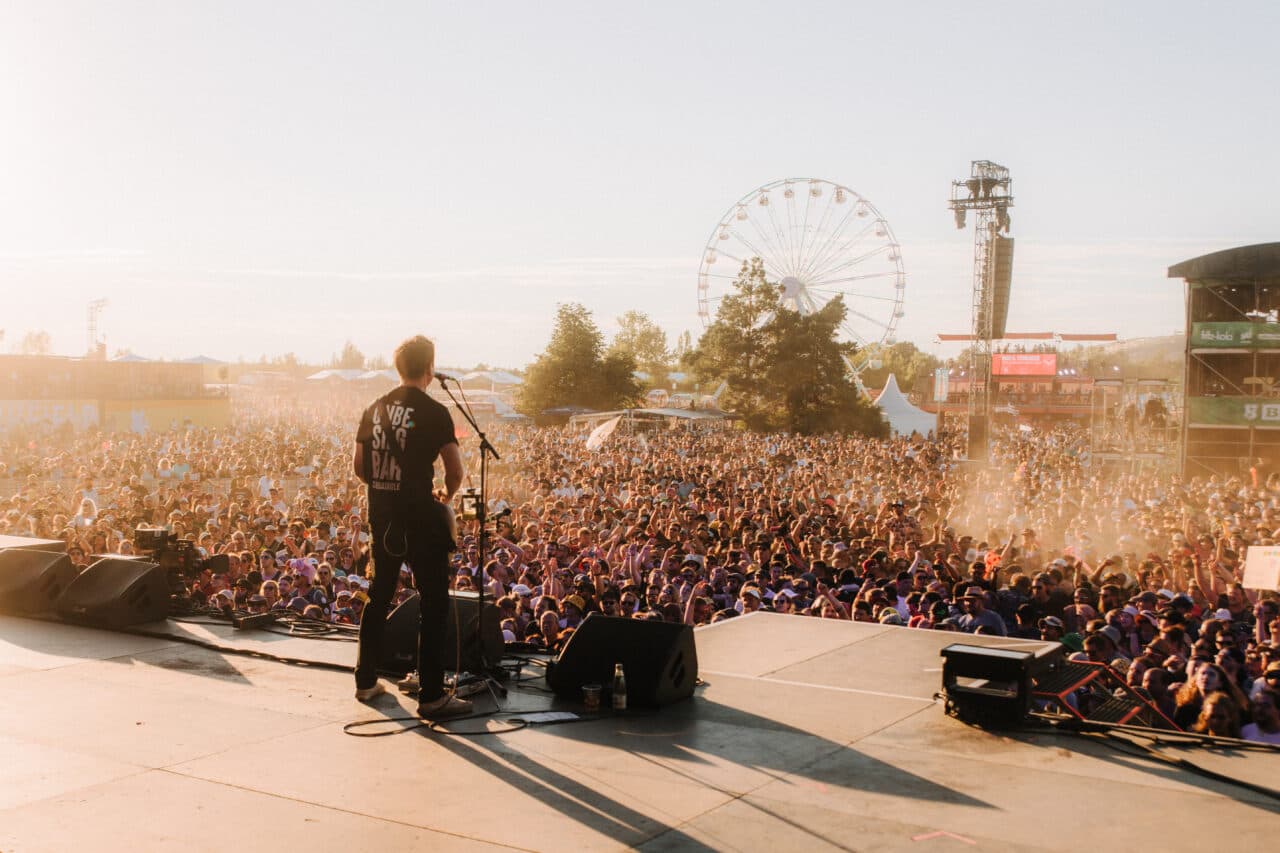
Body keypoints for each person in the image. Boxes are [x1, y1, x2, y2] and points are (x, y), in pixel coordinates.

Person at [352, 335, 468, 719]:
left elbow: (359, 467)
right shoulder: (435, 412)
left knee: (379, 593)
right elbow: (454, 470)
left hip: (382, 516)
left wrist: (386, 489)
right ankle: (432, 695)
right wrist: (446, 496)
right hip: (420, 516)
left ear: (398, 367)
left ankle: (366, 681)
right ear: (430, 368)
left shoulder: (374, 409)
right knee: (433, 602)